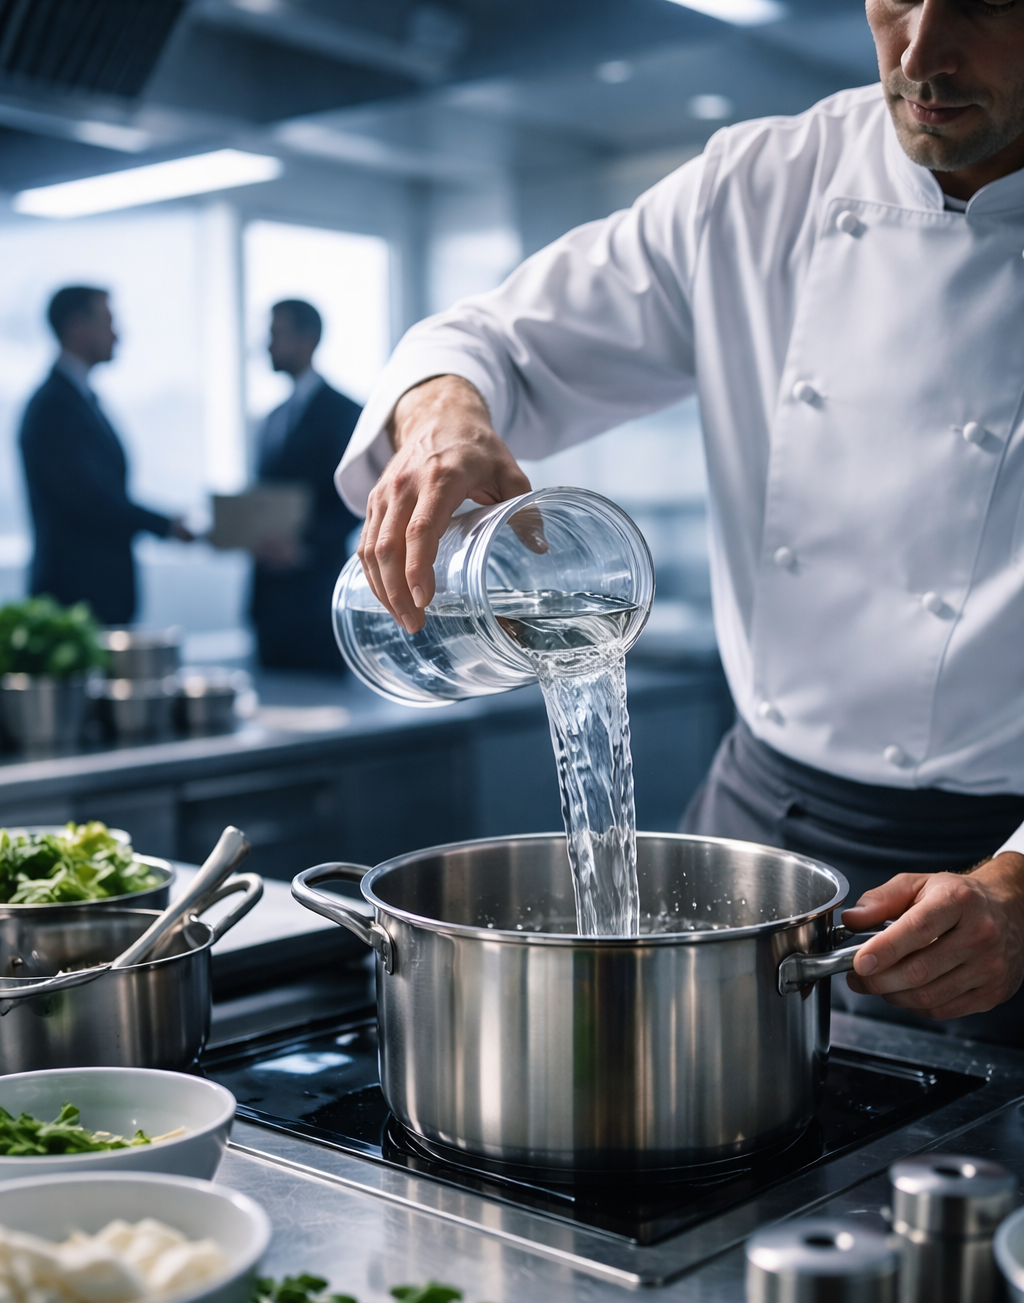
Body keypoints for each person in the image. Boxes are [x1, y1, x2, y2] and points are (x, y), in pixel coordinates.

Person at [336, 0, 1024, 1044]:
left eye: (985, 2)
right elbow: (493, 341)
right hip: (767, 821)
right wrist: (439, 419)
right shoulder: (759, 186)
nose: (922, 54)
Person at [19, 286, 192, 625]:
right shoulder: (53, 407)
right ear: (77, 327)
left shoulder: (80, 400)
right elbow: (89, 499)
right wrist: (166, 525)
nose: (118, 333)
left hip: (97, 594)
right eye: (108, 321)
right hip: (74, 598)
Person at [251, 299, 361, 672]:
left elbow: (360, 498)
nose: (267, 345)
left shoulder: (346, 413)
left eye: (275, 334)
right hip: (269, 600)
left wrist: (305, 545)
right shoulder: (272, 418)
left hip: (316, 594)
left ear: (307, 339)